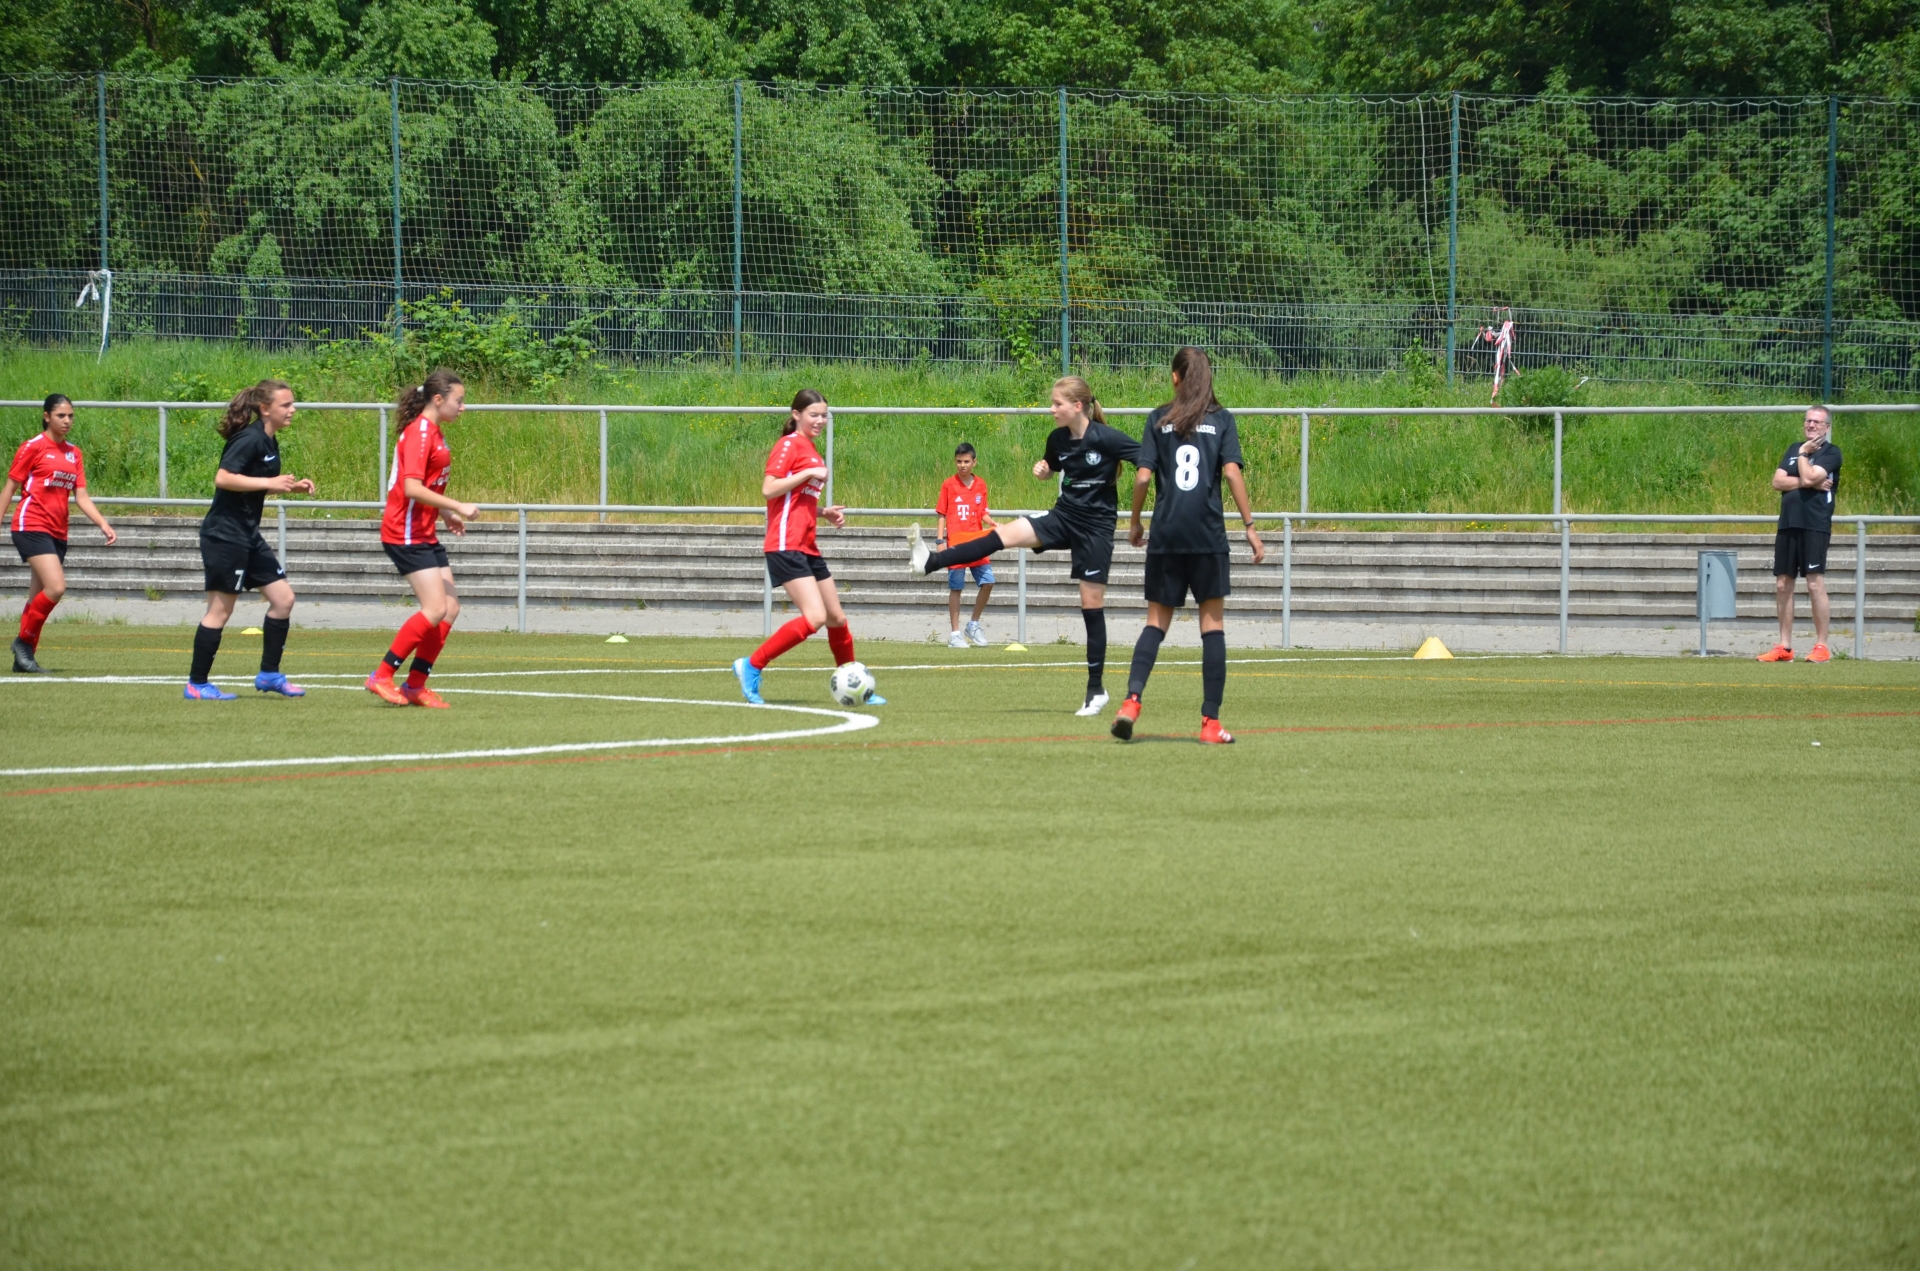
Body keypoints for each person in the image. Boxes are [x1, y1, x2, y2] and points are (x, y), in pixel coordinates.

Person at [910, 376, 1138, 716]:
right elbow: (1053, 467)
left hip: (1096, 529)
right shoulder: (1057, 438)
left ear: (1077, 406)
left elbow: (1146, 459)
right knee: (1002, 535)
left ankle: (1096, 690)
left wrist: (1147, 505)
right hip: (1063, 516)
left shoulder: (1107, 437)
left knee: (1091, 605)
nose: (1052, 409)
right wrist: (1045, 472)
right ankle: (930, 561)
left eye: (1057, 403)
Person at [1111, 347, 1265, 744]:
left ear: (1176, 377)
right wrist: (1250, 527)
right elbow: (1231, 473)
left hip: (1166, 536)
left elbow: (1142, 478)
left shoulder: (1158, 419)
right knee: (1212, 628)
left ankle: (1131, 702)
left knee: (1155, 623)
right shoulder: (1222, 420)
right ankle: (1210, 723)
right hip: (1208, 537)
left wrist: (1135, 522)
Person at [732, 390, 884, 706]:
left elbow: (795, 500)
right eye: (813, 414)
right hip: (785, 543)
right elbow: (769, 489)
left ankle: (855, 684)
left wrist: (823, 512)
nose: (820, 420)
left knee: (836, 618)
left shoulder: (811, 449)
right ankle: (751, 665)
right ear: (796, 414)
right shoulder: (789, 444)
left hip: (806, 544)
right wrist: (807, 473)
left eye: (824, 415)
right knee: (814, 617)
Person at [184, 380, 317, 700]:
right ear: (265, 409)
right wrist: (270, 482)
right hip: (224, 536)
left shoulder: (269, 441)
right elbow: (223, 478)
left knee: (283, 599)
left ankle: (269, 674)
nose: (292, 410)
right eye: (286, 405)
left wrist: (290, 487)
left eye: (292, 403)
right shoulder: (250, 438)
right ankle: (196, 684)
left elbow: (253, 484)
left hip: (247, 535)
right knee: (220, 612)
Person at [366, 369, 479, 708]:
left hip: (423, 530)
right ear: (438, 399)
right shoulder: (420, 433)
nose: (463, 407)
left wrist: (444, 513)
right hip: (404, 532)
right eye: (459, 401)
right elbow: (412, 488)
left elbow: (426, 486)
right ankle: (381, 676)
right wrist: (457, 505)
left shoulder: (435, 432)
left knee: (450, 609)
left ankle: (415, 685)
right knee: (435, 608)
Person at [5, 394, 117, 674]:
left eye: (70, 416)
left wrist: (103, 524)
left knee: (36, 598)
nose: (67, 421)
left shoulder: (74, 453)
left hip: (57, 530)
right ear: (46, 416)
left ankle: (24, 659)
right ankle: (22, 643)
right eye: (60, 415)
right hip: (31, 525)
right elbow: (9, 488)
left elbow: (81, 496)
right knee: (56, 587)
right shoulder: (32, 447)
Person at [1759, 405, 1842, 663]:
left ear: (1826, 427)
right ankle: (1785, 647)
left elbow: (1809, 477)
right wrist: (1810, 482)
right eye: (1808, 421)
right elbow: (1778, 482)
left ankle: (1822, 646)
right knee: (1783, 583)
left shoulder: (1832, 452)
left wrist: (1805, 457)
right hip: (1788, 523)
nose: (1811, 425)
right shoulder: (1793, 448)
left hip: (1815, 524)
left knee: (1814, 583)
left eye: (1817, 422)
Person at [936, 442, 996, 647]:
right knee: (956, 588)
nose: (962, 465)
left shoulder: (981, 485)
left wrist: (992, 523)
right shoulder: (948, 484)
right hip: (956, 545)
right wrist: (940, 541)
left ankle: (973, 624)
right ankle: (955, 634)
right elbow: (942, 514)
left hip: (977, 544)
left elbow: (983, 512)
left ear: (974, 462)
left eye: (966, 461)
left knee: (988, 582)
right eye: (959, 461)